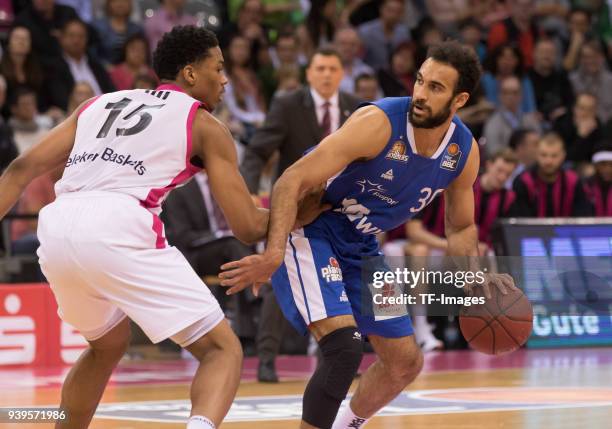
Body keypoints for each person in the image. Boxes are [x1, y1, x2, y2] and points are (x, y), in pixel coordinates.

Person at [0, 26, 323, 429]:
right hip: (118, 223)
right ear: (190, 73)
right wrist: (308, 206)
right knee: (222, 350)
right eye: (218, 68)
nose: (224, 79)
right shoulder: (205, 125)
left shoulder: (99, 104)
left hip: (57, 224)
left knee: (105, 346)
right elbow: (246, 226)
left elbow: (19, 169)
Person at [221, 41, 517, 429]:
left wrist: (471, 280)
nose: (421, 94)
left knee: (404, 362)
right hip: (312, 230)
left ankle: (347, 424)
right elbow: (291, 180)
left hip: (362, 245)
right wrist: (273, 252)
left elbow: (460, 225)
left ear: (460, 99)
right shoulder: (378, 123)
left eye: (436, 88)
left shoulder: (462, 151)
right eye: (420, 81)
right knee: (344, 349)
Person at [510, 132, 593, 217]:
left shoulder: (574, 181)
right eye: (544, 155)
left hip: (567, 230)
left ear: (563, 156)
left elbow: (582, 217)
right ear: (537, 155)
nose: (548, 161)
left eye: (554, 156)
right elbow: (520, 222)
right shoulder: (523, 182)